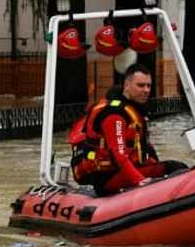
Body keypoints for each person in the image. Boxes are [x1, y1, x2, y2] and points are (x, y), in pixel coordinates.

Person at [70, 63, 185, 195]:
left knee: (175, 167)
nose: (146, 90)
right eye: (140, 85)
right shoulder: (115, 114)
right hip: (108, 177)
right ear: (126, 85)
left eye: (149, 86)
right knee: (175, 168)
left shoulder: (134, 110)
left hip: (125, 171)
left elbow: (145, 148)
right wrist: (142, 182)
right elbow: (118, 155)